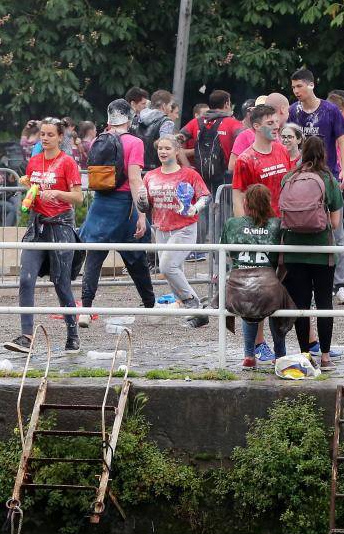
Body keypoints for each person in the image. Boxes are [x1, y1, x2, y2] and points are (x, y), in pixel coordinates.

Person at [8, 119, 83, 354]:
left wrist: (58, 194)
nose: (45, 138)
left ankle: (72, 334)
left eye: (50, 134)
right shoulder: (34, 161)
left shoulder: (67, 162)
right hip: (36, 225)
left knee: (61, 284)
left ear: (60, 137)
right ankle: (26, 337)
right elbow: (33, 189)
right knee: (26, 279)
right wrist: (29, 187)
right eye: (42, 134)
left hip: (60, 225)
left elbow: (78, 197)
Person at [79, 99, 157, 323]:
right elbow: (134, 180)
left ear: (109, 119)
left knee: (94, 257)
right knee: (135, 257)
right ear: (130, 120)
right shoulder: (135, 142)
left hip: (101, 202)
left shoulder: (98, 140)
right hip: (124, 204)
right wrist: (142, 215)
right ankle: (150, 306)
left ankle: (85, 309)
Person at [288, 67, 344, 304]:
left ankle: (340, 284)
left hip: (329, 175)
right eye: (293, 87)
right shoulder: (292, 112)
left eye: (299, 86)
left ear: (311, 84)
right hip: (301, 177)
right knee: (302, 224)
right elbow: (287, 142)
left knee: (336, 231)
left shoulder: (330, 110)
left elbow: (342, 142)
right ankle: (306, 279)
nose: (296, 91)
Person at [278, 135, 344, 367]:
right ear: (323, 154)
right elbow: (335, 223)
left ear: (302, 153)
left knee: (301, 306)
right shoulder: (328, 179)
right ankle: (325, 356)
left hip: (293, 252)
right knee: (325, 303)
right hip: (322, 252)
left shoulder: (288, 178)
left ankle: (306, 356)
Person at [143, 135, 210, 327]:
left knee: (166, 267)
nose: (163, 152)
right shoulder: (150, 176)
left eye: (167, 148)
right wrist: (141, 202)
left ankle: (194, 306)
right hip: (161, 228)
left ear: (177, 151)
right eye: (160, 149)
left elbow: (205, 196)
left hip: (184, 228)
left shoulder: (189, 174)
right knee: (174, 270)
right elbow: (146, 204)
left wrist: (195, 208)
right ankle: (194, 310)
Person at [223, 184, 286, 368]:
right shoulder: (277, 225)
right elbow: (282, 259)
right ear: (268, 204)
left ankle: (249, 355)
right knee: (278, 304)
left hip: (238, 285)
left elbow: (228, 253)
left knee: (248, 304)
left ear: (245, 203)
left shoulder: (232, 224)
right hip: (268, 283)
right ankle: (280, 354)